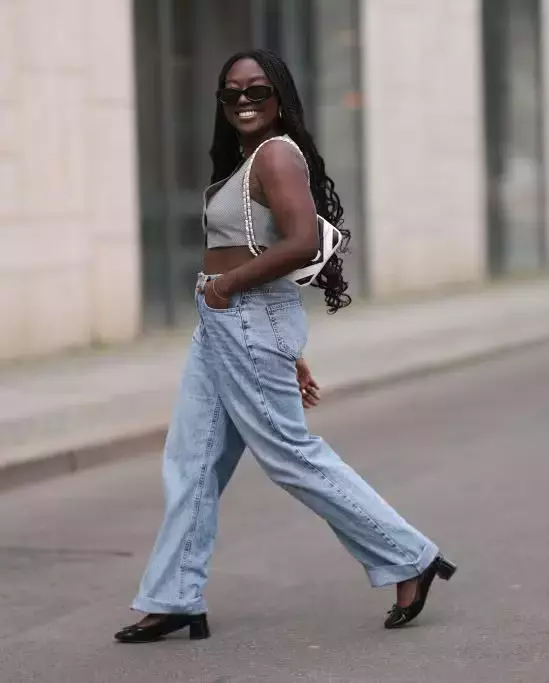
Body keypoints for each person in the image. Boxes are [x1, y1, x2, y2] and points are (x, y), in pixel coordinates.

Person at [115, 49, 455, 644]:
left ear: (280, 98)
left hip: (237, 309)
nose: (244, 102)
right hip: (228, 321)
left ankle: (410, 557)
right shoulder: (248, 160)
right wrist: (277, 343)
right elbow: (269, 248)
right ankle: (174, 597)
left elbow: (300, 242)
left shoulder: (275, 154)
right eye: (232, 94)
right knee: (192, 461)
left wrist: (228, 288)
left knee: (290, 456)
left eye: (258, 91)